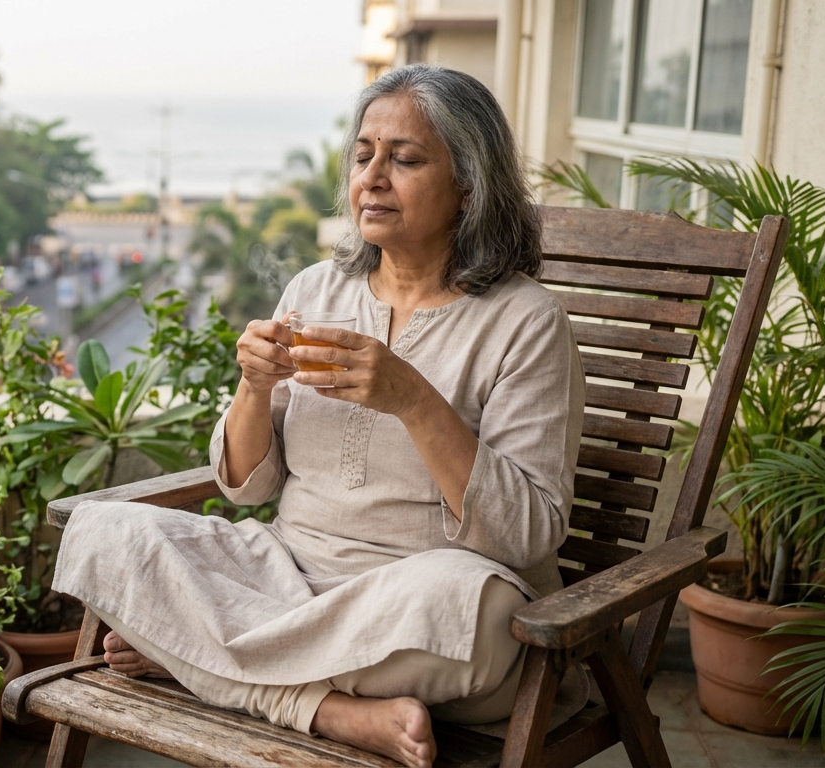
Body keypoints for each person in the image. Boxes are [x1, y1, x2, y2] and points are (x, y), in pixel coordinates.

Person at [53, 64, 584, 768]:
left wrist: (413, 399)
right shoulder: (314, 289)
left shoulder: (526, 322)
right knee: (107, 530)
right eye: (364, 155)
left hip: (414, 598)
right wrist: (253, 388)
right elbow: (246, 486)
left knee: (477, 612)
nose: (373, 176)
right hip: (287, 575)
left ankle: (198, 657)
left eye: (406, 158)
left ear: (468, 186)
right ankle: (328, 711)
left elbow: (528, 533)